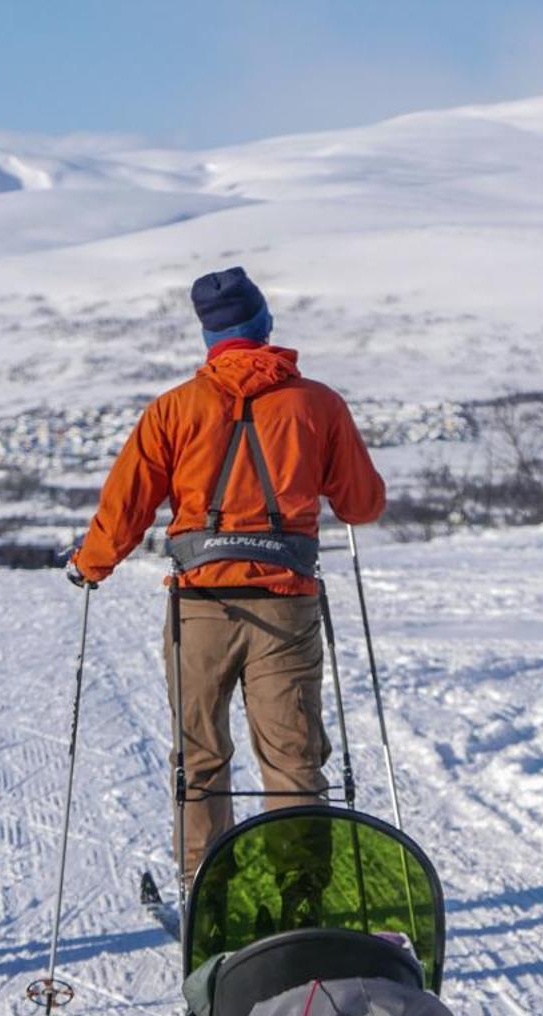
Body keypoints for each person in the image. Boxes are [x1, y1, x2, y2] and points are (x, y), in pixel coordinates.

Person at [68, 267, 386, 890]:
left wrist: (91, 564)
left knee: (200, 758)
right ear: (265, 323)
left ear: (209, 336)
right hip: (285, 608)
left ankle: (205, 889)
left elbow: (126, 504)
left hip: (199, 609)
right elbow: (362, 505)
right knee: (294, 761)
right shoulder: (318, 404)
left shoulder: (173, 410)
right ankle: (301, 895)